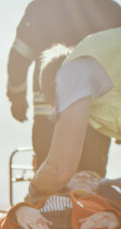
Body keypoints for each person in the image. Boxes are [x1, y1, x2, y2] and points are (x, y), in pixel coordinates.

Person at [6, 0, 121, 173]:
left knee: (50, 175)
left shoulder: (39, 9)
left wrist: (17, 99)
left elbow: (18, 59)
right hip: (95, 117)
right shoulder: (113, 11)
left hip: (49, 116)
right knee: (89, 182)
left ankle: (47, 208)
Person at [29, 27, 121, 198]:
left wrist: (33, 191)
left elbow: (58, 170)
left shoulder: (70, 71)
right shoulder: (103, 76)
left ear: (54, 85)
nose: (60, 111)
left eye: (56, 104)